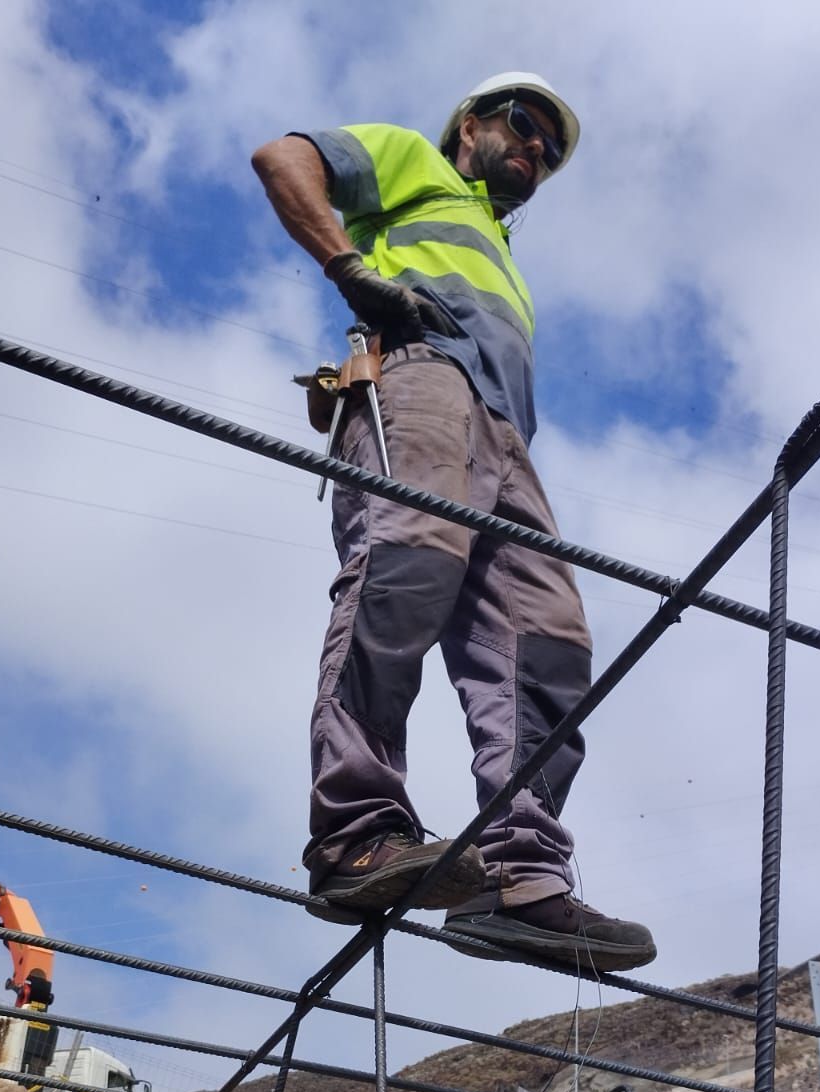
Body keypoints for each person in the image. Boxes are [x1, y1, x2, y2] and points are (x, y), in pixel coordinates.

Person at [252, 73, 657, 972]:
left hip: (507, 438)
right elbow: (284, 159)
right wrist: (354, 273)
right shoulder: (417, 165)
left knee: (549, 640)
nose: (538, 148)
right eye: (524, 124)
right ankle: (357, 833)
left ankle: (520, 881)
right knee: (406, 567)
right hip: (420, 381)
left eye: (552, 148)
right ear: (469, 126)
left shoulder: (503, 257)